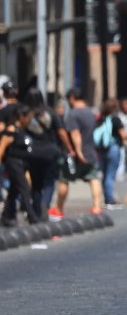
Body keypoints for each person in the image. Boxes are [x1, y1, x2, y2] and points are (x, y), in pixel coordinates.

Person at [50, 88, 104, 218]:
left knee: (64, 179)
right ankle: (97, 207)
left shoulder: (73, 114)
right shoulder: (91, 113)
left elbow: (75, 134)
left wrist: (78, 152)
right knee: (93, 179)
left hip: (75, 155)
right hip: (91, 152)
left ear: (72, 98)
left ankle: (59, 208)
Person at [22, 88, 72, 221]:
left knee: (36, 184)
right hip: (50, 152)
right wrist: (68, 148)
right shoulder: (50, 112)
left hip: (32, 153)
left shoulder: (24, 113)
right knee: (49, 182)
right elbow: (61, 132)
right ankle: (45, 204)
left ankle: (37, 210)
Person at [0, 104, 41, 226]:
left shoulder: (24, 130)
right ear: (21, 117)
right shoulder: (11, 130)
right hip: (13, 164)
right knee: (24, 188)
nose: (30, 120)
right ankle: (31, 216)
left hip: (22, 164)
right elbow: (2, 148)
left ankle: (7, 216)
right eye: (28, 117)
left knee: (14, 190)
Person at [96, 98, 127, 209]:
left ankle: (106, 197)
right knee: (110, 175)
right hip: (113, 148)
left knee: (105, 174)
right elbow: (123, 134)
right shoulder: (115, 119)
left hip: (102, 149)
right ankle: (110, 199)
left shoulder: (101, 119)